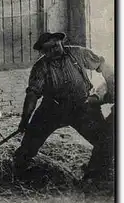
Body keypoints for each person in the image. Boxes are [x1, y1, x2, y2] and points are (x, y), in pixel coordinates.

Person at [13, 32, 114, 182]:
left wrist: (113, 87)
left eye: (55, 46)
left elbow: (102, 65)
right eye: (47, 50)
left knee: (105, 139)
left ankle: (95, 175)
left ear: (61, 41)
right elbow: (32, 95)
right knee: (29, 144)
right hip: (52, 109)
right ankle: (18, 173)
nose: (52, 52)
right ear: (42, 51)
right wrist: (24, 120)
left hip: (82, 106)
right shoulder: (40, 67)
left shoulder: (78, 53)